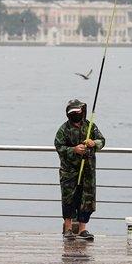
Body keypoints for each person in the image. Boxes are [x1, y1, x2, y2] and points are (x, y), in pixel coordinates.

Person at [55, 98, 105, 241]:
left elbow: (102, 141)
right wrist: (74, 150)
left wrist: (93, 143)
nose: (76, 114)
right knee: (69, 199)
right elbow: (59, 147)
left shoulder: (90, 127)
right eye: (73, 112)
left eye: (78, 111)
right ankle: (68, 229)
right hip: (69, 172)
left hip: (87, 171)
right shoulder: (63, 129)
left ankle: (83, 229)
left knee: (86, 199)